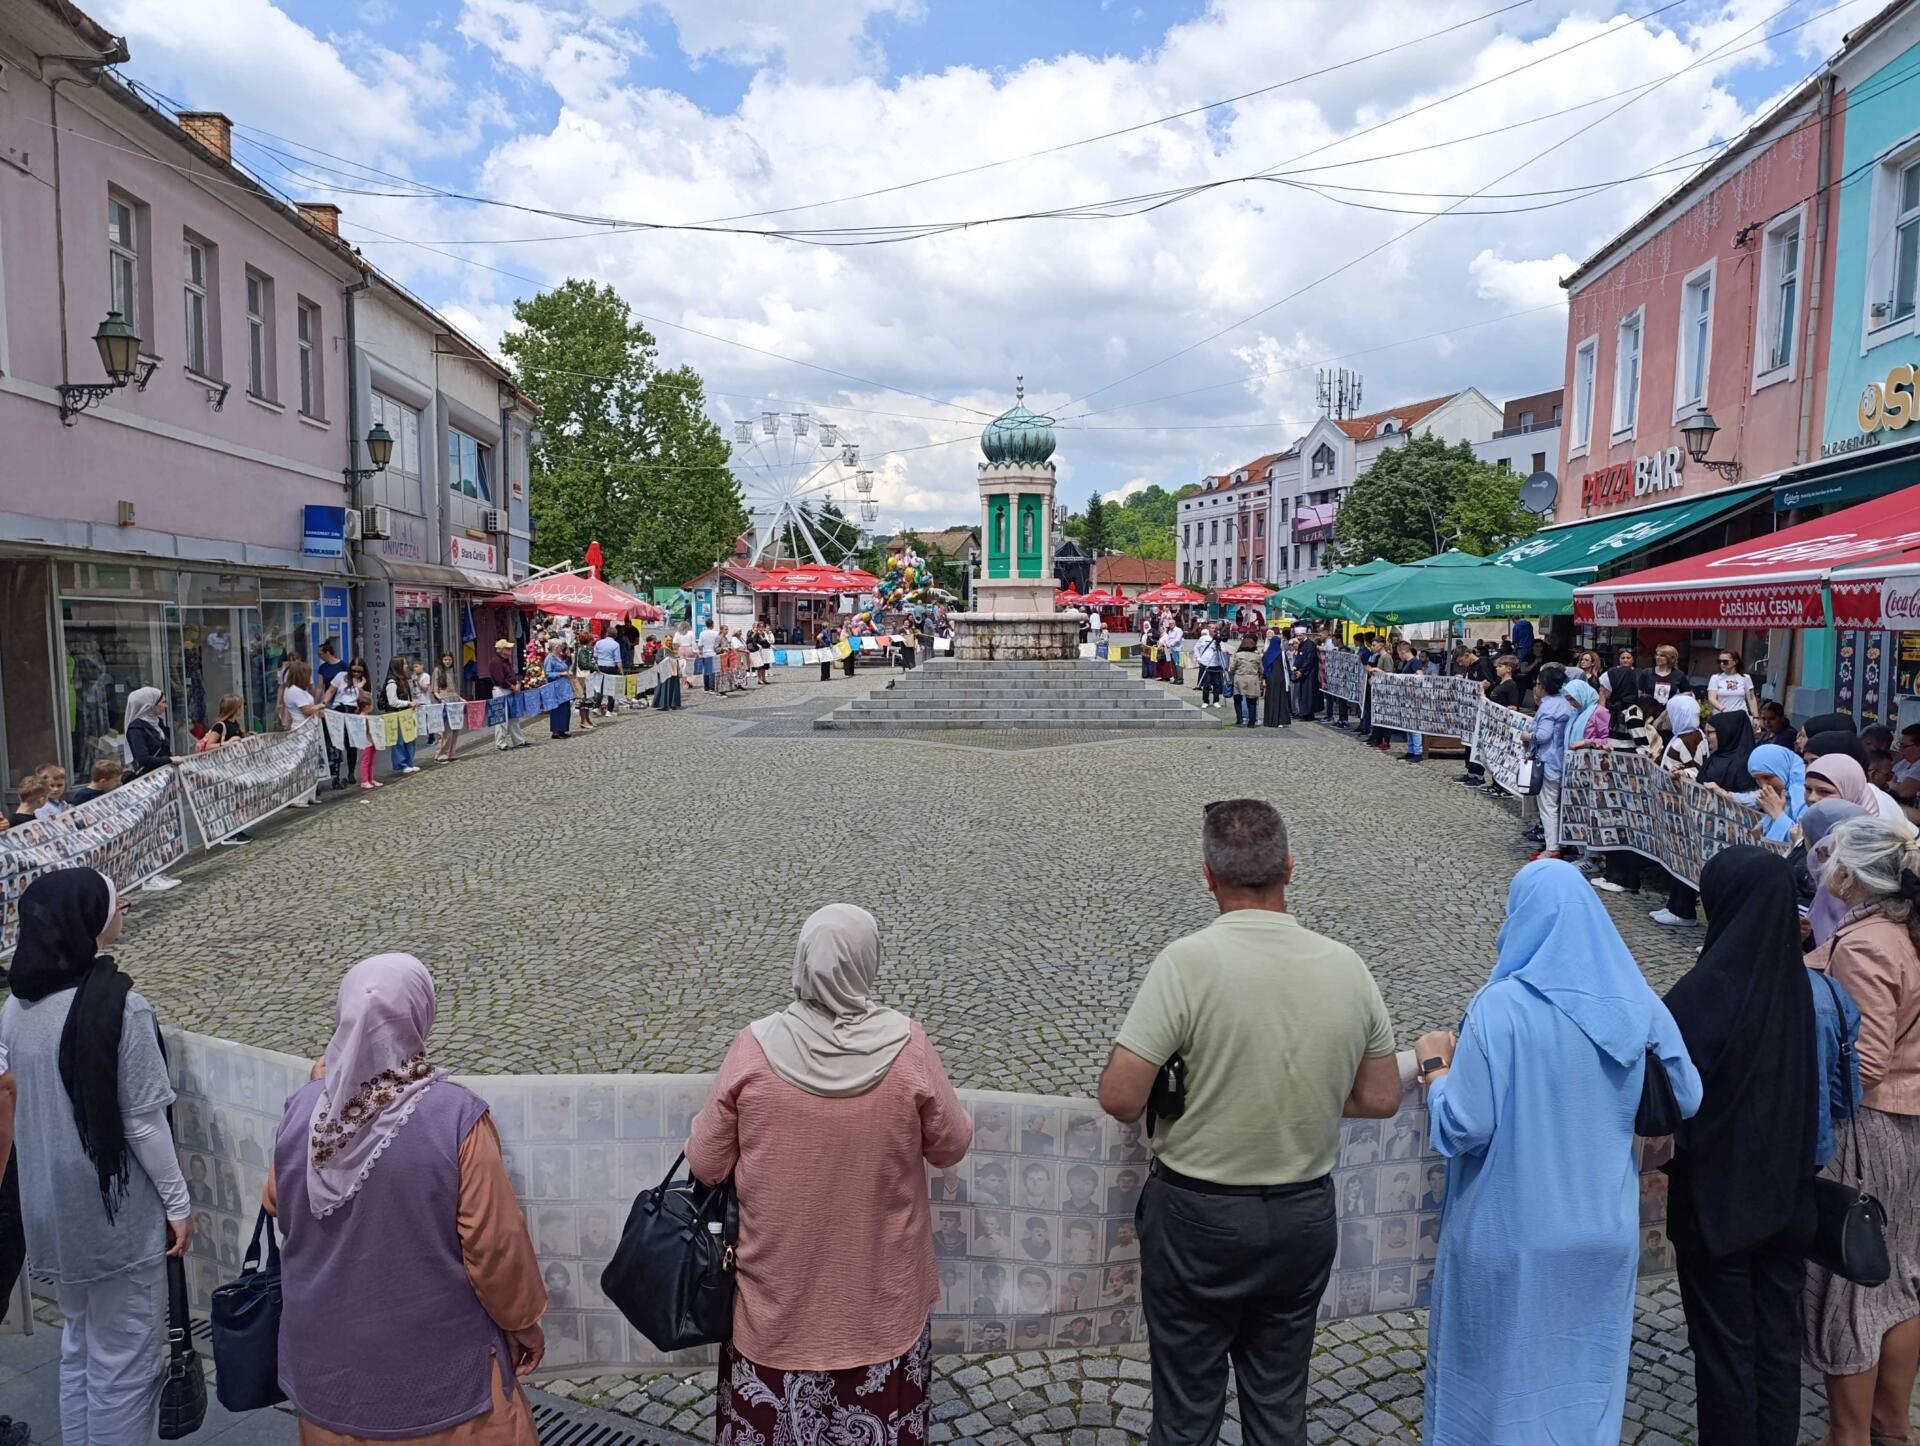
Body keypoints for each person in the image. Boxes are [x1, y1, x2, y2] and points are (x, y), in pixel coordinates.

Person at [1097, 799, 1400, 1445]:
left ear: (1208, 875)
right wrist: (1305, 1090)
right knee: (1279, 1402)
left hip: (1197, 1217)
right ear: (1290, 869)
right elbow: (1379, 1099)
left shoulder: (1187, 963)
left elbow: (1121, 1097)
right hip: (1302, 1212)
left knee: (1186, 1409)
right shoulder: (1348, 967)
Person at [1415, 860, 1701, 1446]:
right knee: (1582, 1381)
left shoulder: (1501, 1008)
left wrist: (1435, 1069)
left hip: (1509, 1229)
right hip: (1602, 1226)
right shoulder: (1638, 1004)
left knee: (1492, 1384)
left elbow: (1465, 1125)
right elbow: (1688, 1095)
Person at [687, 905, 972, 1446]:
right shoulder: (908, 1048)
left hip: (775, 1311)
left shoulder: (754, 1048)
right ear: (868, 962)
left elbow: (705, 1164)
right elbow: (951, 1146)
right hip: (880, 1308)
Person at [269, 954, 547, 1443]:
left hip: (327, 1376)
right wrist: (522, 1321)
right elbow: (494, 1248)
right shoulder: (455, 1119)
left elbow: (276, 1198)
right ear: (421, 1016)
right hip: (442, 1383)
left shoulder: (305, 1110)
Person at [0, 868, 193, 1443]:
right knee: (127, 1364)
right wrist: (178, 1203)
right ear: (86, 921)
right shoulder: (122, 1007)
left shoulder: (16, 1007)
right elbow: (141, 1121)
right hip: (110, 1211)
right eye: (113, 902)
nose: (124, 907)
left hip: (48, 1206)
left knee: (80, 1348)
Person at [1660, 848, 1825, 1446]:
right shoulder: (1803, 989)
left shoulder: (1706, 991)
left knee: (1726, 1353)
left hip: (1720, 1203)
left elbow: (1661, 1097)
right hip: (1789, 1198)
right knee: (1777, 1346)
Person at [1802, 816, 1920, 1445]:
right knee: (1897, 1275)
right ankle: (1890, 1429)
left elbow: (1864, 1061)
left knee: (1852, 1283)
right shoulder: (1897, 927)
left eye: (1832, 859)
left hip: (1868, 1129)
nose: (1824, 868)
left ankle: (1853, 1436)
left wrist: (1817, 1105)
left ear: (1853, 872)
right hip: (1902, 1121)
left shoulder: (1869, 941)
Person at [1807, 753, 1918, 838]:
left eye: (1825, 792)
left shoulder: (1871, 830)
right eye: (1807, 789)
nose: (1811, 798)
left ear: (1849, 790)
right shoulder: (1828, 816)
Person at [1528, 664, 1573, 857]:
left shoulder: (1548, 706)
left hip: (1549, 759)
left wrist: (1527, 736)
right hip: (1562, 758)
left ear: (1542, 686)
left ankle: (1552, 846)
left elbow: (1543, 735)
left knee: (1548, 806)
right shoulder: (1566, 703)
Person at [1748, 743, 1807, 844]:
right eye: (1757, 779)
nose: (1763, 786)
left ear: (1783, 770)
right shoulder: (1783, 792)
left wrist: (1777, 814)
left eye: (1767, 777)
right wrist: (1765, 823)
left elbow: (1803, 841)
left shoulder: (1805, 795)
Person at [487, 639, 529, 751]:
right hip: (501, 690)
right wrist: (512, 687)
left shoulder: (506, 661)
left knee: (513, 717)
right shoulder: (496, 662)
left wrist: (517, 684)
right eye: (507, 648)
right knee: (502, 718)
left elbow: (511, 676)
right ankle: (500, 742)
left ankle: (518, 741)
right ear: (501, 650)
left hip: (510, 689)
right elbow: (500, 679)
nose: (510, 650)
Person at [383, 659, 420, 775]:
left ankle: (409, 762)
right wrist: (408, 703)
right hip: (395, 714)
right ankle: (401, 764)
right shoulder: (392, 682)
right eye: (404, 664)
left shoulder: (402, 679)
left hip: (406, 713)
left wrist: (411, 702)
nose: (406, 666)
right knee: (398, 740)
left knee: (410, 737)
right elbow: (392, 701)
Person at [432, 652, 464, 764]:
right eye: (445, 659)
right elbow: (435, 690)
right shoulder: (437, 671)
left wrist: (460, 698)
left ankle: (451, 753)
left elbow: (455, 690)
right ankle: (441, 754)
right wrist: (441, 699)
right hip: (445, 702)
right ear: (442, 660)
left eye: (449, 660)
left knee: (456, 729)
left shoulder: (453, 671)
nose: (447, 662)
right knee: (446, 731)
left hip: (455, 702)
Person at [1709, 649, 1758, 721]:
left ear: (1735, 662)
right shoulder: (1716, 678)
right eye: (1719, 661)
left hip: (1741, 718)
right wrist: (1723, 709)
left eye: (1725, 661)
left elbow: (1751, 699)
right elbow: (1711, 698)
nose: (1722, 664)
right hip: (1722, 717)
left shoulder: (1745, 678)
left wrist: (1756, 717)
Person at [1639, 644, 1691, 711]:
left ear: (1670, 658)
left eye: (1662, 656)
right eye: (1657, 655)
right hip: (1648, 711)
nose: (1657, 657)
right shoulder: (1646, 673)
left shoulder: (1678, 674)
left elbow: (1689, 692)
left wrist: (1677, 697)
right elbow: (1639, 692)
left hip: (1669, 711)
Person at [1228, 635, 1264, 729]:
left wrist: (1231, 675)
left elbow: (1232, 668)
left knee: (1238, 699)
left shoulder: (1237, 655)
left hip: (1239, 678)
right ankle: (1251, 722)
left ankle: (1240, 719)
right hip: (1252, 678)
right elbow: (1261, 669)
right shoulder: (1257, 656)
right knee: (1251, 701)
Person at [1261, 626, 1292, 729]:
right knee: (1280, 700)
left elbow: (1264, 668)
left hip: (1270, 679)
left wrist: (1264, 678)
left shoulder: (1266, 654)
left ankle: (1269, 720)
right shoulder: (1282, 654)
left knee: (1270, 700)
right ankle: (1280, 720)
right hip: (1280, 679)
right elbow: (1286, 667)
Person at [542, 640, 572, 741]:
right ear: (555, 647)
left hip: (564, 687)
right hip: (555, 687)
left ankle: (562, 729)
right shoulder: (550, 658)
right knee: (557, 709)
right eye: (560, 646)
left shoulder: (559, 657)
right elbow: (548, 673)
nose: (562, 648)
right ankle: (556, 730)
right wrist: (561, 674)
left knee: (565, 708)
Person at [1289, 628, 1320, 721]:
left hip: (1309, 674)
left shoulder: (1310, 645)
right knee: (1302, 694)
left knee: (1308, 694)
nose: (1298, 637)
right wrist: (1295, 667)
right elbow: (1299, 657)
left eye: (1300, 635)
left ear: (1304, 634)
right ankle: (1304, 713)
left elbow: (1309, 660)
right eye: (1297, 635)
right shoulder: (1302, 644)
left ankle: (1308, 714)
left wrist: (1301, 670)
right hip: (1302, 673)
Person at [1193, 626, 1225, 710]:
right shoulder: (1203, 638)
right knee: (1206, 684)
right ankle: (1205, 701)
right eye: (1211, 628)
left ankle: (1216, 701)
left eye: (1214, 628)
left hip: (1216, 663)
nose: (1213, 629)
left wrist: (1219, 644)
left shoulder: (1219, 639)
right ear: (1208, 629)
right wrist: (1199, 658)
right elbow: (1196, 647)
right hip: (1206, 663)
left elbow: (1223, 650)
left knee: (1217, 684)